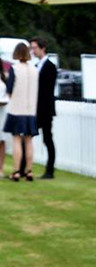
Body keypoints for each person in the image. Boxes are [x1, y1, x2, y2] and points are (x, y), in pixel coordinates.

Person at [3, 42, 39, 182]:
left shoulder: (15, 68)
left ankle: (16, 171)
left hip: (17, 109)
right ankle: (29, 171)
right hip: (31, 110)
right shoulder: (35, 70)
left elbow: (9, 90)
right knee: (29, 140)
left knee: (17, 139)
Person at [30, 37, 57, 179]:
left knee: (47, 139)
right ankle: (23, 168)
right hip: (36, 109)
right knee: (27, 137)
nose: (33, 51)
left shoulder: (50, 67)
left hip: (45, 109)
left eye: (35, 48)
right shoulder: (36, 66)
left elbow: (46, 90)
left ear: (43, 48)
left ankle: (50, 170)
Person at [0, 59, 11, 178]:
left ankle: (1, 169)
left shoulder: (3, 80)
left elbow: (7, 97)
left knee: (2, 142)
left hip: (2, 114)